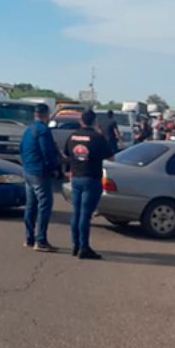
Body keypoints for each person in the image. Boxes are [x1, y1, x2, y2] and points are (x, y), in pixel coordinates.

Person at [65, 109, 114, 259]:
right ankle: (84, 248)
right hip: (91, 178)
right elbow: (111, 157)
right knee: (85, 215)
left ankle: (76, 245)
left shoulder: (72, 136)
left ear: (81, 121)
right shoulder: (97, 137)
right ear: (94, 122)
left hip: (76, 177)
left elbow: (67, 154)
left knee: (77, 213)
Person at [19, 103, 61, 252]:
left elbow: (21, 148)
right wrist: (54, 169)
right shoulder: (44, 131)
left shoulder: (29, 129)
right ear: (46, 115)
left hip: (28, 170)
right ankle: (41, 239)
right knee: (45, 205)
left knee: (31, 205)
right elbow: (47, 152)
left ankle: (29, 238)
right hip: (40, 172)